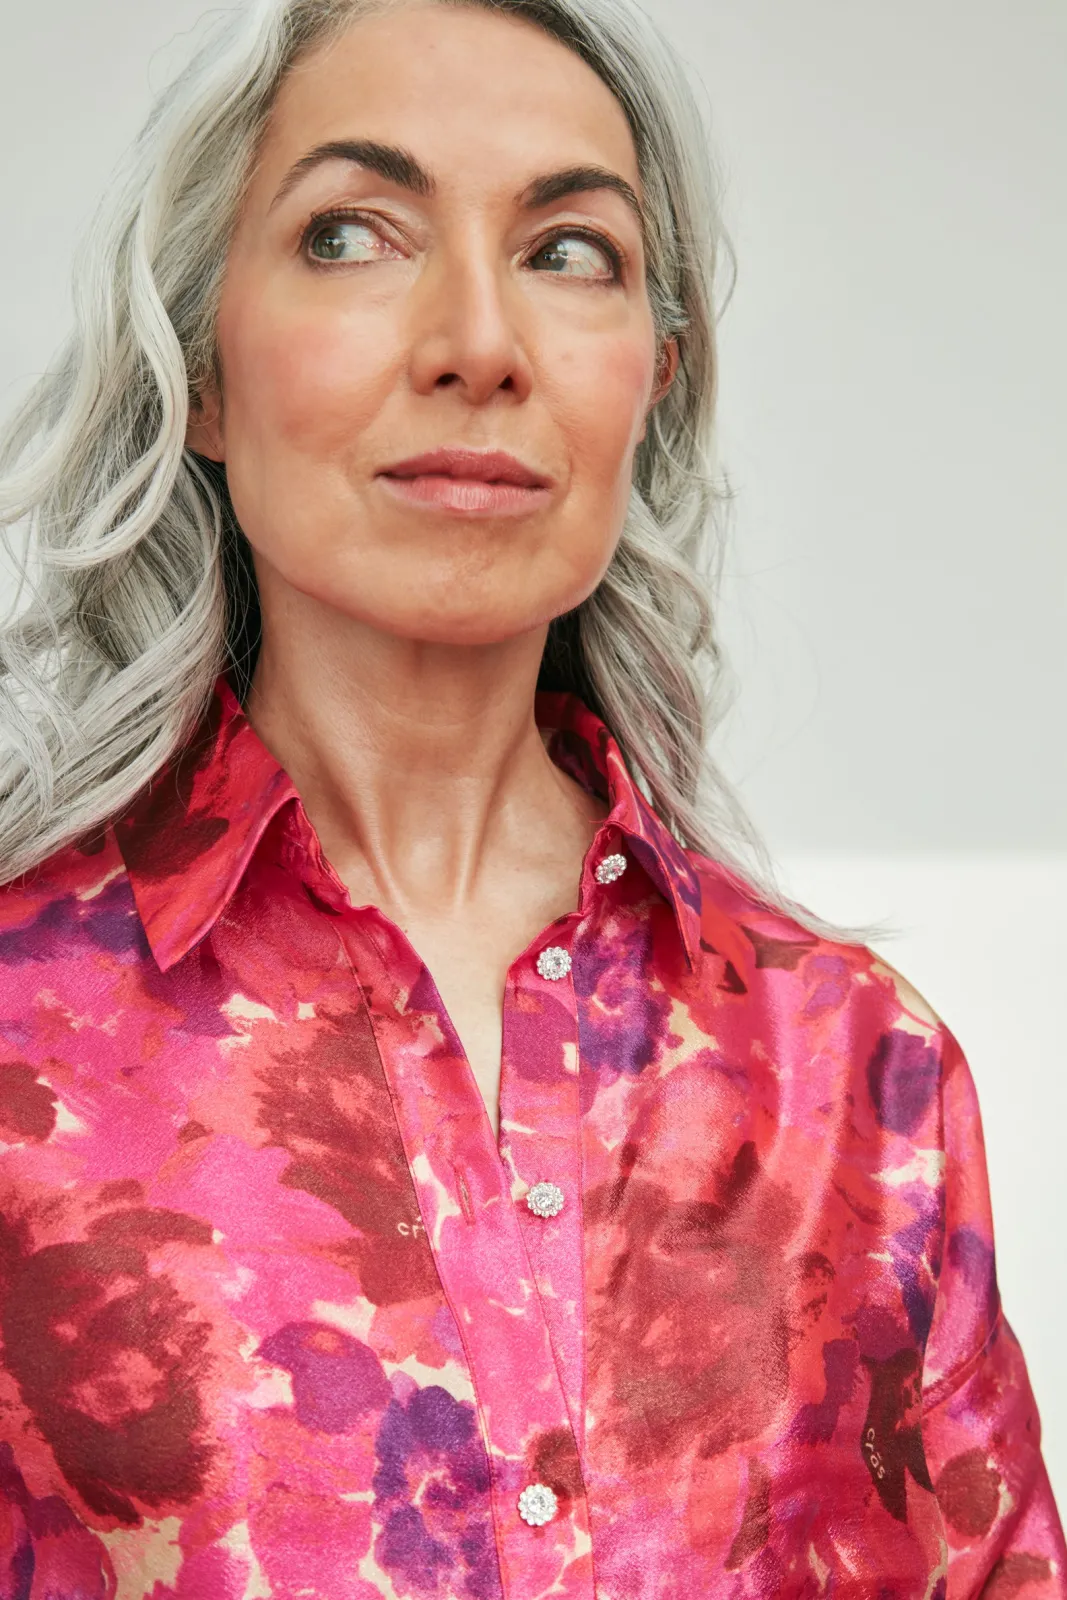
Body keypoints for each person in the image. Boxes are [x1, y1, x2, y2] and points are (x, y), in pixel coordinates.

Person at [0, 0, 1062, 1594]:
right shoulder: (18, 1040)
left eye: (568, 251)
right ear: (201, 371)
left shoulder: (860, 1072)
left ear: (651, 382)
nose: (479, 343)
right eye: (351, 234)